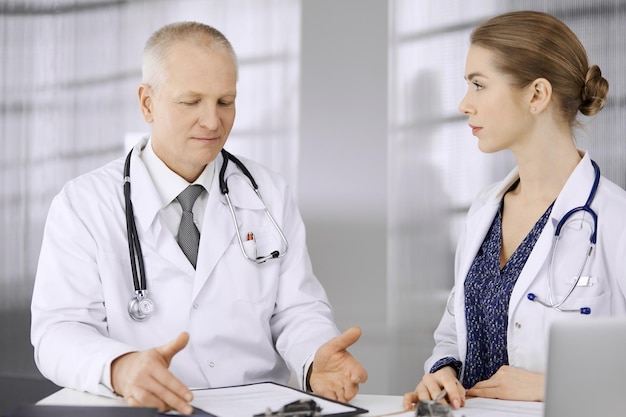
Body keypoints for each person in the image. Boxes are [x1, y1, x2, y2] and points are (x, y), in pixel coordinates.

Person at [31, 21, 367, 415]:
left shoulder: (267, 192)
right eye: (191, 102)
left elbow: (296, 310)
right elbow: (57, 332)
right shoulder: (83, 204)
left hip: (258, 408)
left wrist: (315, 359)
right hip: (139, 407)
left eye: (225, 102)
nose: (212, 121)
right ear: (147, 103)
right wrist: (120, 368)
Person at [403, 10, 626, 411]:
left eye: (478, 85)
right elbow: (454, 331)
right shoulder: (484, 211)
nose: (463, 104)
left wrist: (553, 386)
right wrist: (443, 370)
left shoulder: (615, 220)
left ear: (537, 95)